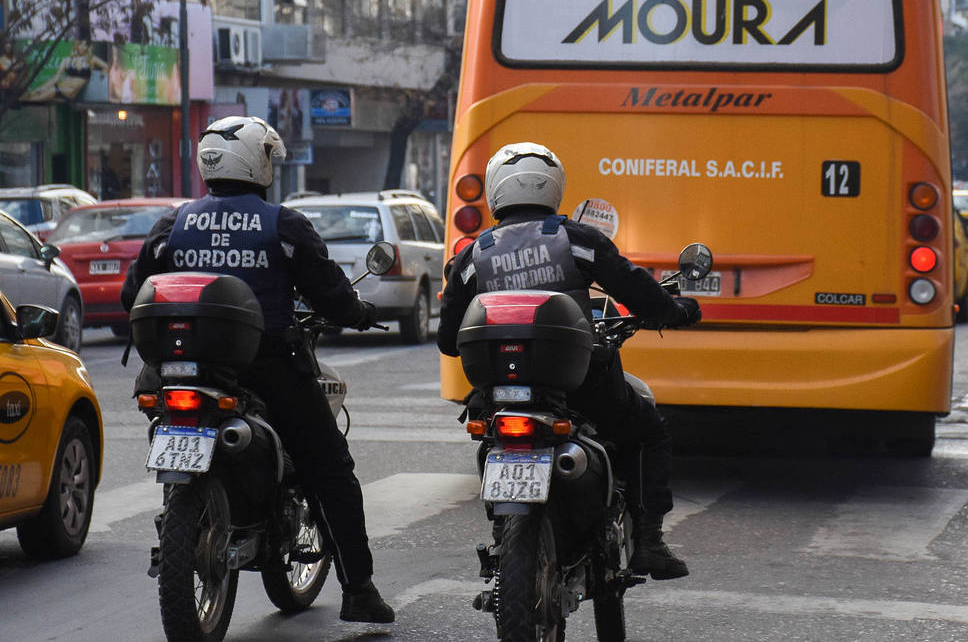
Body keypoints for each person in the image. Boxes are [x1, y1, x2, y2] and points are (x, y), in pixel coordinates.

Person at [120, 115, 394, 623]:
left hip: (179, 374)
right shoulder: (281, 224)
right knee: (330, 468)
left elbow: (130, 292)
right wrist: (359, 314)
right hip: (268, 367)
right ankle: (358, 588)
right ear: (259, 162)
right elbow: (331, 294)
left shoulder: (173, 224)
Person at [438, 142, 701, 579]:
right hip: (581, 384)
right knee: (648, 430)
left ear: (495, 190)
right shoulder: (575, 240)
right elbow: (635, 287)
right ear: (553, 188)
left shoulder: (471, 256)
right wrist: (677, 311)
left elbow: (449, 340)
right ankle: (650, 544)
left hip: (498, 392)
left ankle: (505, 528)